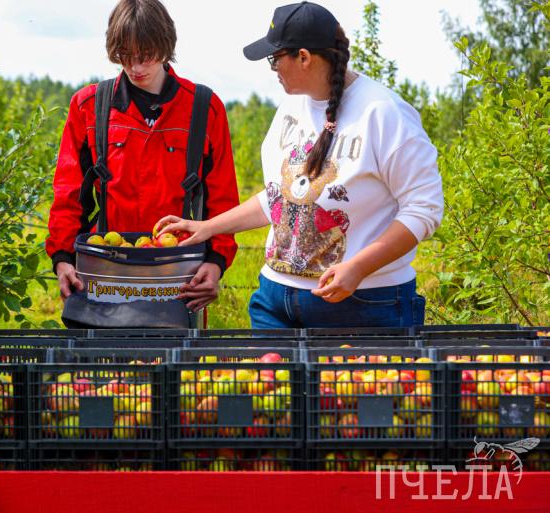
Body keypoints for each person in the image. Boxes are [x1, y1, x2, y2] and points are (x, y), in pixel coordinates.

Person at [157, 2, 444, 329]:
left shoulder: (384, 112)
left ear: (304, 57)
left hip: (363, 303)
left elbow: (424, 208)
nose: (273, 69)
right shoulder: (290, 107)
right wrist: (207, 227)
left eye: (275, 59)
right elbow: (277, 197)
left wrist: (359, 267)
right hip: (275, 302)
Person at [46, 0, 240, 315]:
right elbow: (68, 194)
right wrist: (63, 258)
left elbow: (223, 199)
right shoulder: (89, 106)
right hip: (106, 273)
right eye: (125, 56)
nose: (136, 67)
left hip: (179, 275)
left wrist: (217, 262)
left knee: (176, 349)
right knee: (102, 349)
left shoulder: (205, 108)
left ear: (166, 46)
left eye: (146, 55)